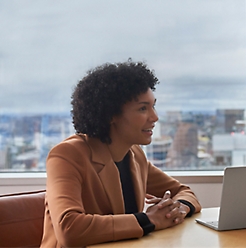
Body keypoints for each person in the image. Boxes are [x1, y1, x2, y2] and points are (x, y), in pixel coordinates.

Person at [41, 61, 202, 247]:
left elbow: (183, 191)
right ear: (111, 115)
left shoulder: (135, 154)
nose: (155, 117)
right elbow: (69, 228)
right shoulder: (67, 155)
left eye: (153, 106)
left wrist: (178, 208)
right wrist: (148, 220)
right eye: (143, 108)